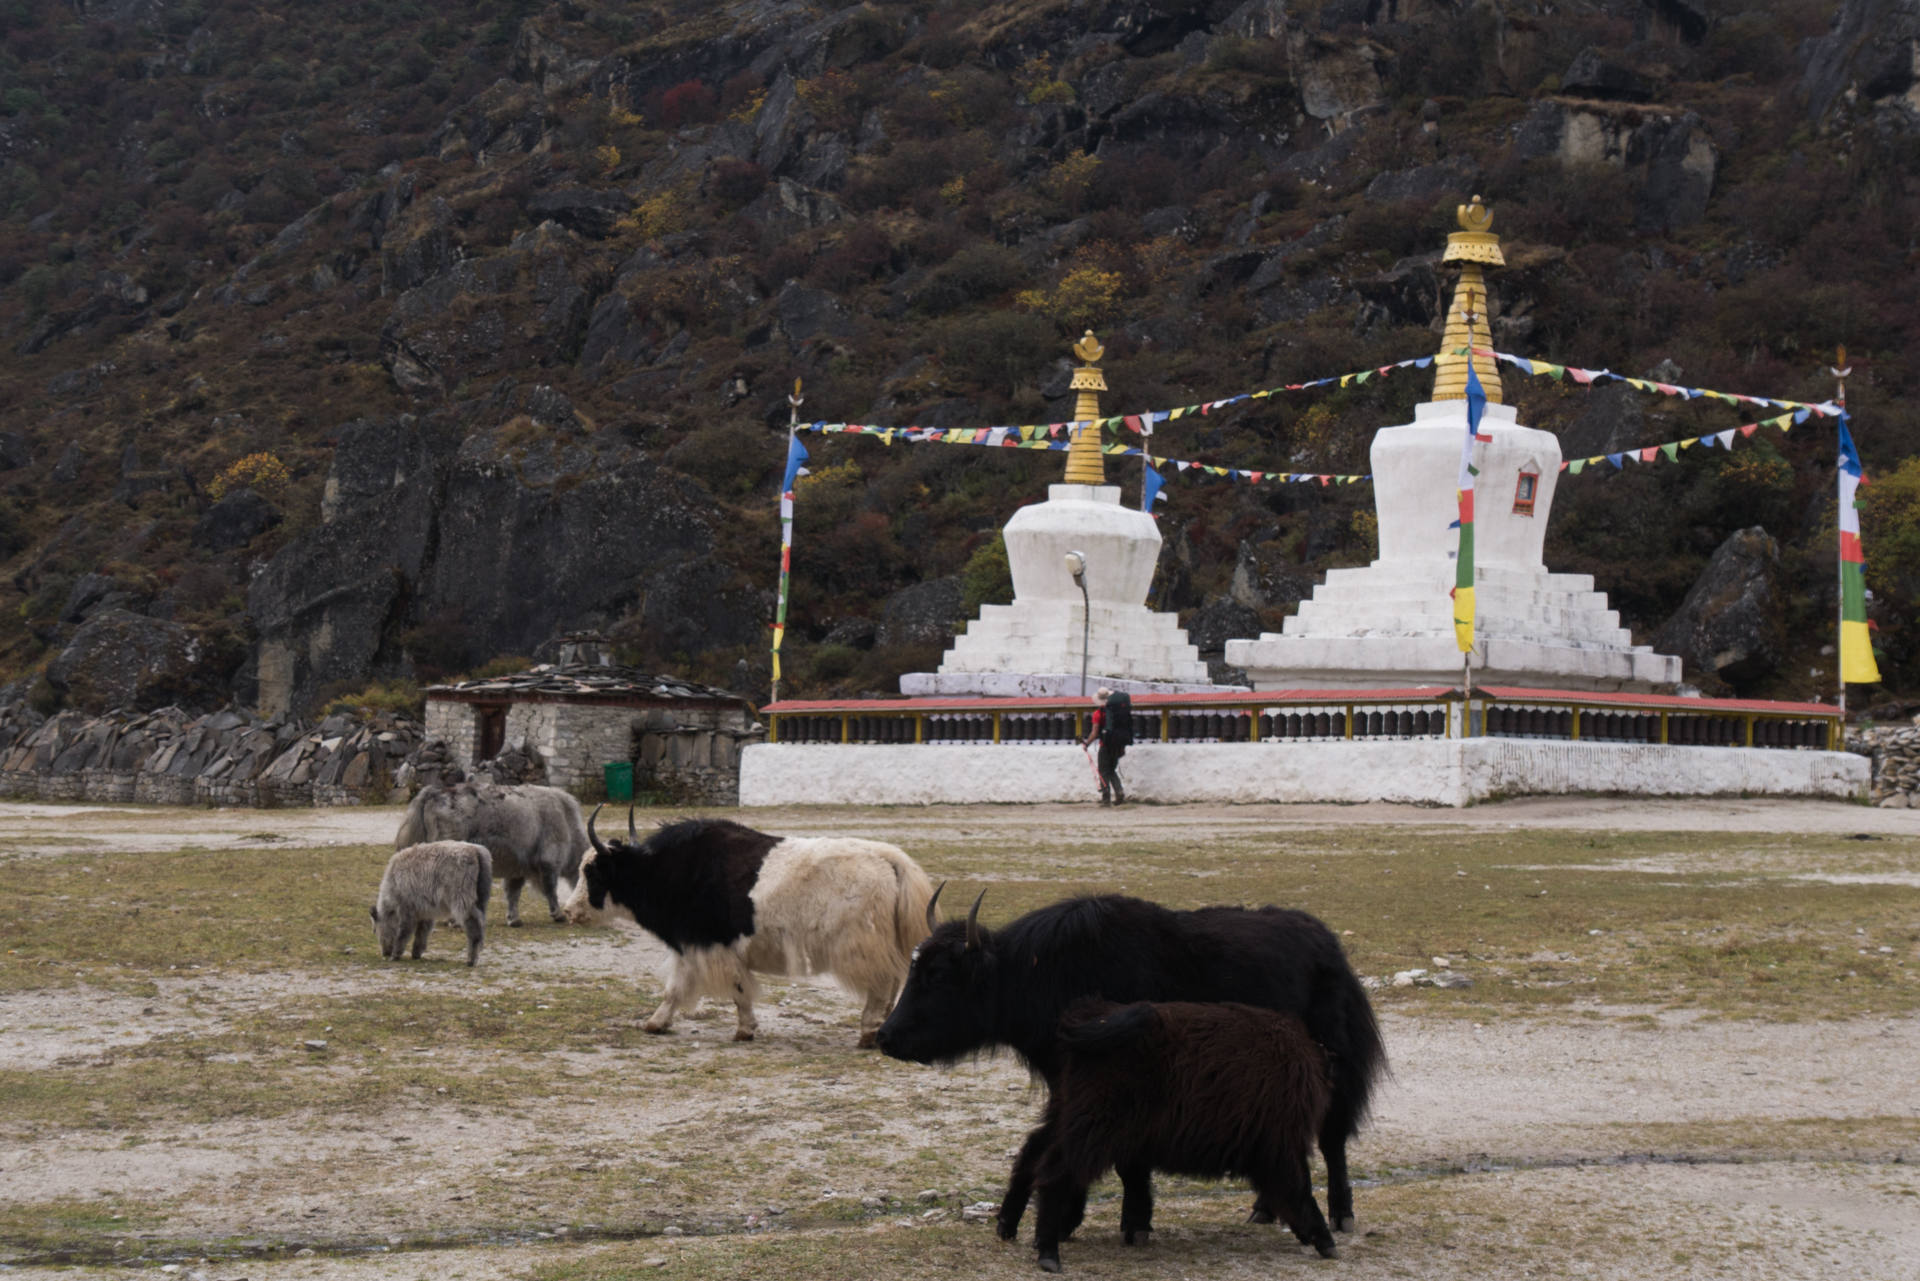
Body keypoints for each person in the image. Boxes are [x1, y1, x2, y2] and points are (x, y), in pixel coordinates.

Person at [1083, 687, 1133, 805]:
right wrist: (1122, 746)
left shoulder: (1098, 714)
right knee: (1111, 770)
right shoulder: (1118, 713)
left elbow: (1094, 733)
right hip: (1117, 745)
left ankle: (1106, 800)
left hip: (1105, 745)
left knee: (1103, 772)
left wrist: (1086, 744)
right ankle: (1119, 792)